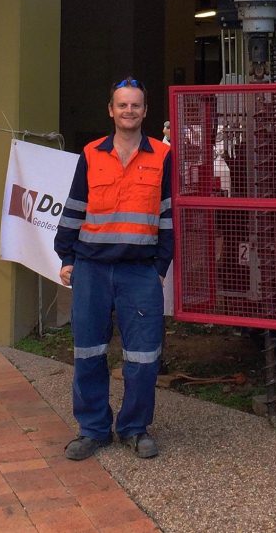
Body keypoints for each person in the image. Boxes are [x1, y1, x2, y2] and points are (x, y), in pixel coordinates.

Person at [55, 77, 172, 461]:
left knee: (142, 356)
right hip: (91, 268)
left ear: (145, 111)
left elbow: (168, 214)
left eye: (135, 105)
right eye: (122, 105)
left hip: (139, 271)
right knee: (88, 351)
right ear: (111, 110)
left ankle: (135, 429)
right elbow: (73, 209)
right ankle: (92, 430)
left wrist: (160, 266)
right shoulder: (90, 154)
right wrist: (67, 257)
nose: (129, 111)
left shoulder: (162, 155)